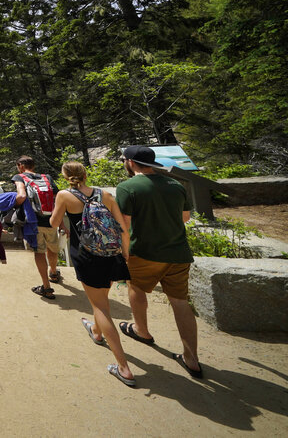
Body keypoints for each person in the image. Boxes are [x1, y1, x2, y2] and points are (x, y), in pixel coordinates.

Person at [116, 145, 203, 378]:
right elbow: (185, 217)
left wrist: (124, 253)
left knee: (135, 287)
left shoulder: (127, 187)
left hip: (144, 252)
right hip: (178, 252)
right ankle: (191, 358)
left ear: (131, 163)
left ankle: (141, 330)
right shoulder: (176, 185)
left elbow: (124, 224)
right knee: (180, 301)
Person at [51, 161, 135, 387]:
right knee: (101, 299)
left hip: (85, 255)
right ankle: (96, 331)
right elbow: (123, 228)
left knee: (100, 307)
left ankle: (124, 368)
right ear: (85, 174)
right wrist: (125, 254)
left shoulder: (64, 196)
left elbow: (54, 222)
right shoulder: (105, 195)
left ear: (66, 176)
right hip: (111, 254)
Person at [13, 155, 62, 299]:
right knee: (52, 249)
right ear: (33, 165)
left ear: (21, 166)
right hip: (52, 220)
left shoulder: (19, 177)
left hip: (34, 222)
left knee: (39, 252)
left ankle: (46, 287)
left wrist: (12, 205)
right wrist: (61, 223)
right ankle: (53, 273)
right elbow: (58, 199)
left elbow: (21, 196)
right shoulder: (46, 177)